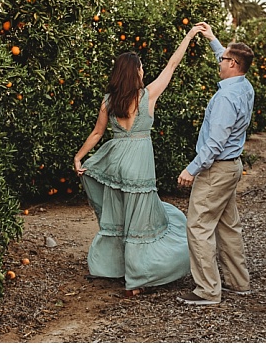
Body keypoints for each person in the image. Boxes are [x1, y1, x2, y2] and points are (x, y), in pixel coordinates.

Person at [74, 24, 205, 296]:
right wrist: (190, 35)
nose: (144, 71)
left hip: (116, 163)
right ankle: (137, 279)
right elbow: (172, 64)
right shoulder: (147, 96)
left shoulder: (108, 101)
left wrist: (79, 157)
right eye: (141, 67)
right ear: (135, 72)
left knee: (119, 216)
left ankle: (113, 268)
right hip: (139, 167)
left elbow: (98, 132)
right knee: (140, 223)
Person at [176, 22, 255, 305]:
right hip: (233, 167)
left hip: (216, 170)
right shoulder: (244, 86)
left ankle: (207, 290)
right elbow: (227, 57)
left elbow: (214, 145)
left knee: (198, 226)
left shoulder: (225, 98)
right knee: (227, 225)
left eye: (223, 59)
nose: (219, 62)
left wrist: (191, 169)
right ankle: (238, 281)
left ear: (232, 64)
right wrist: (213, 41)